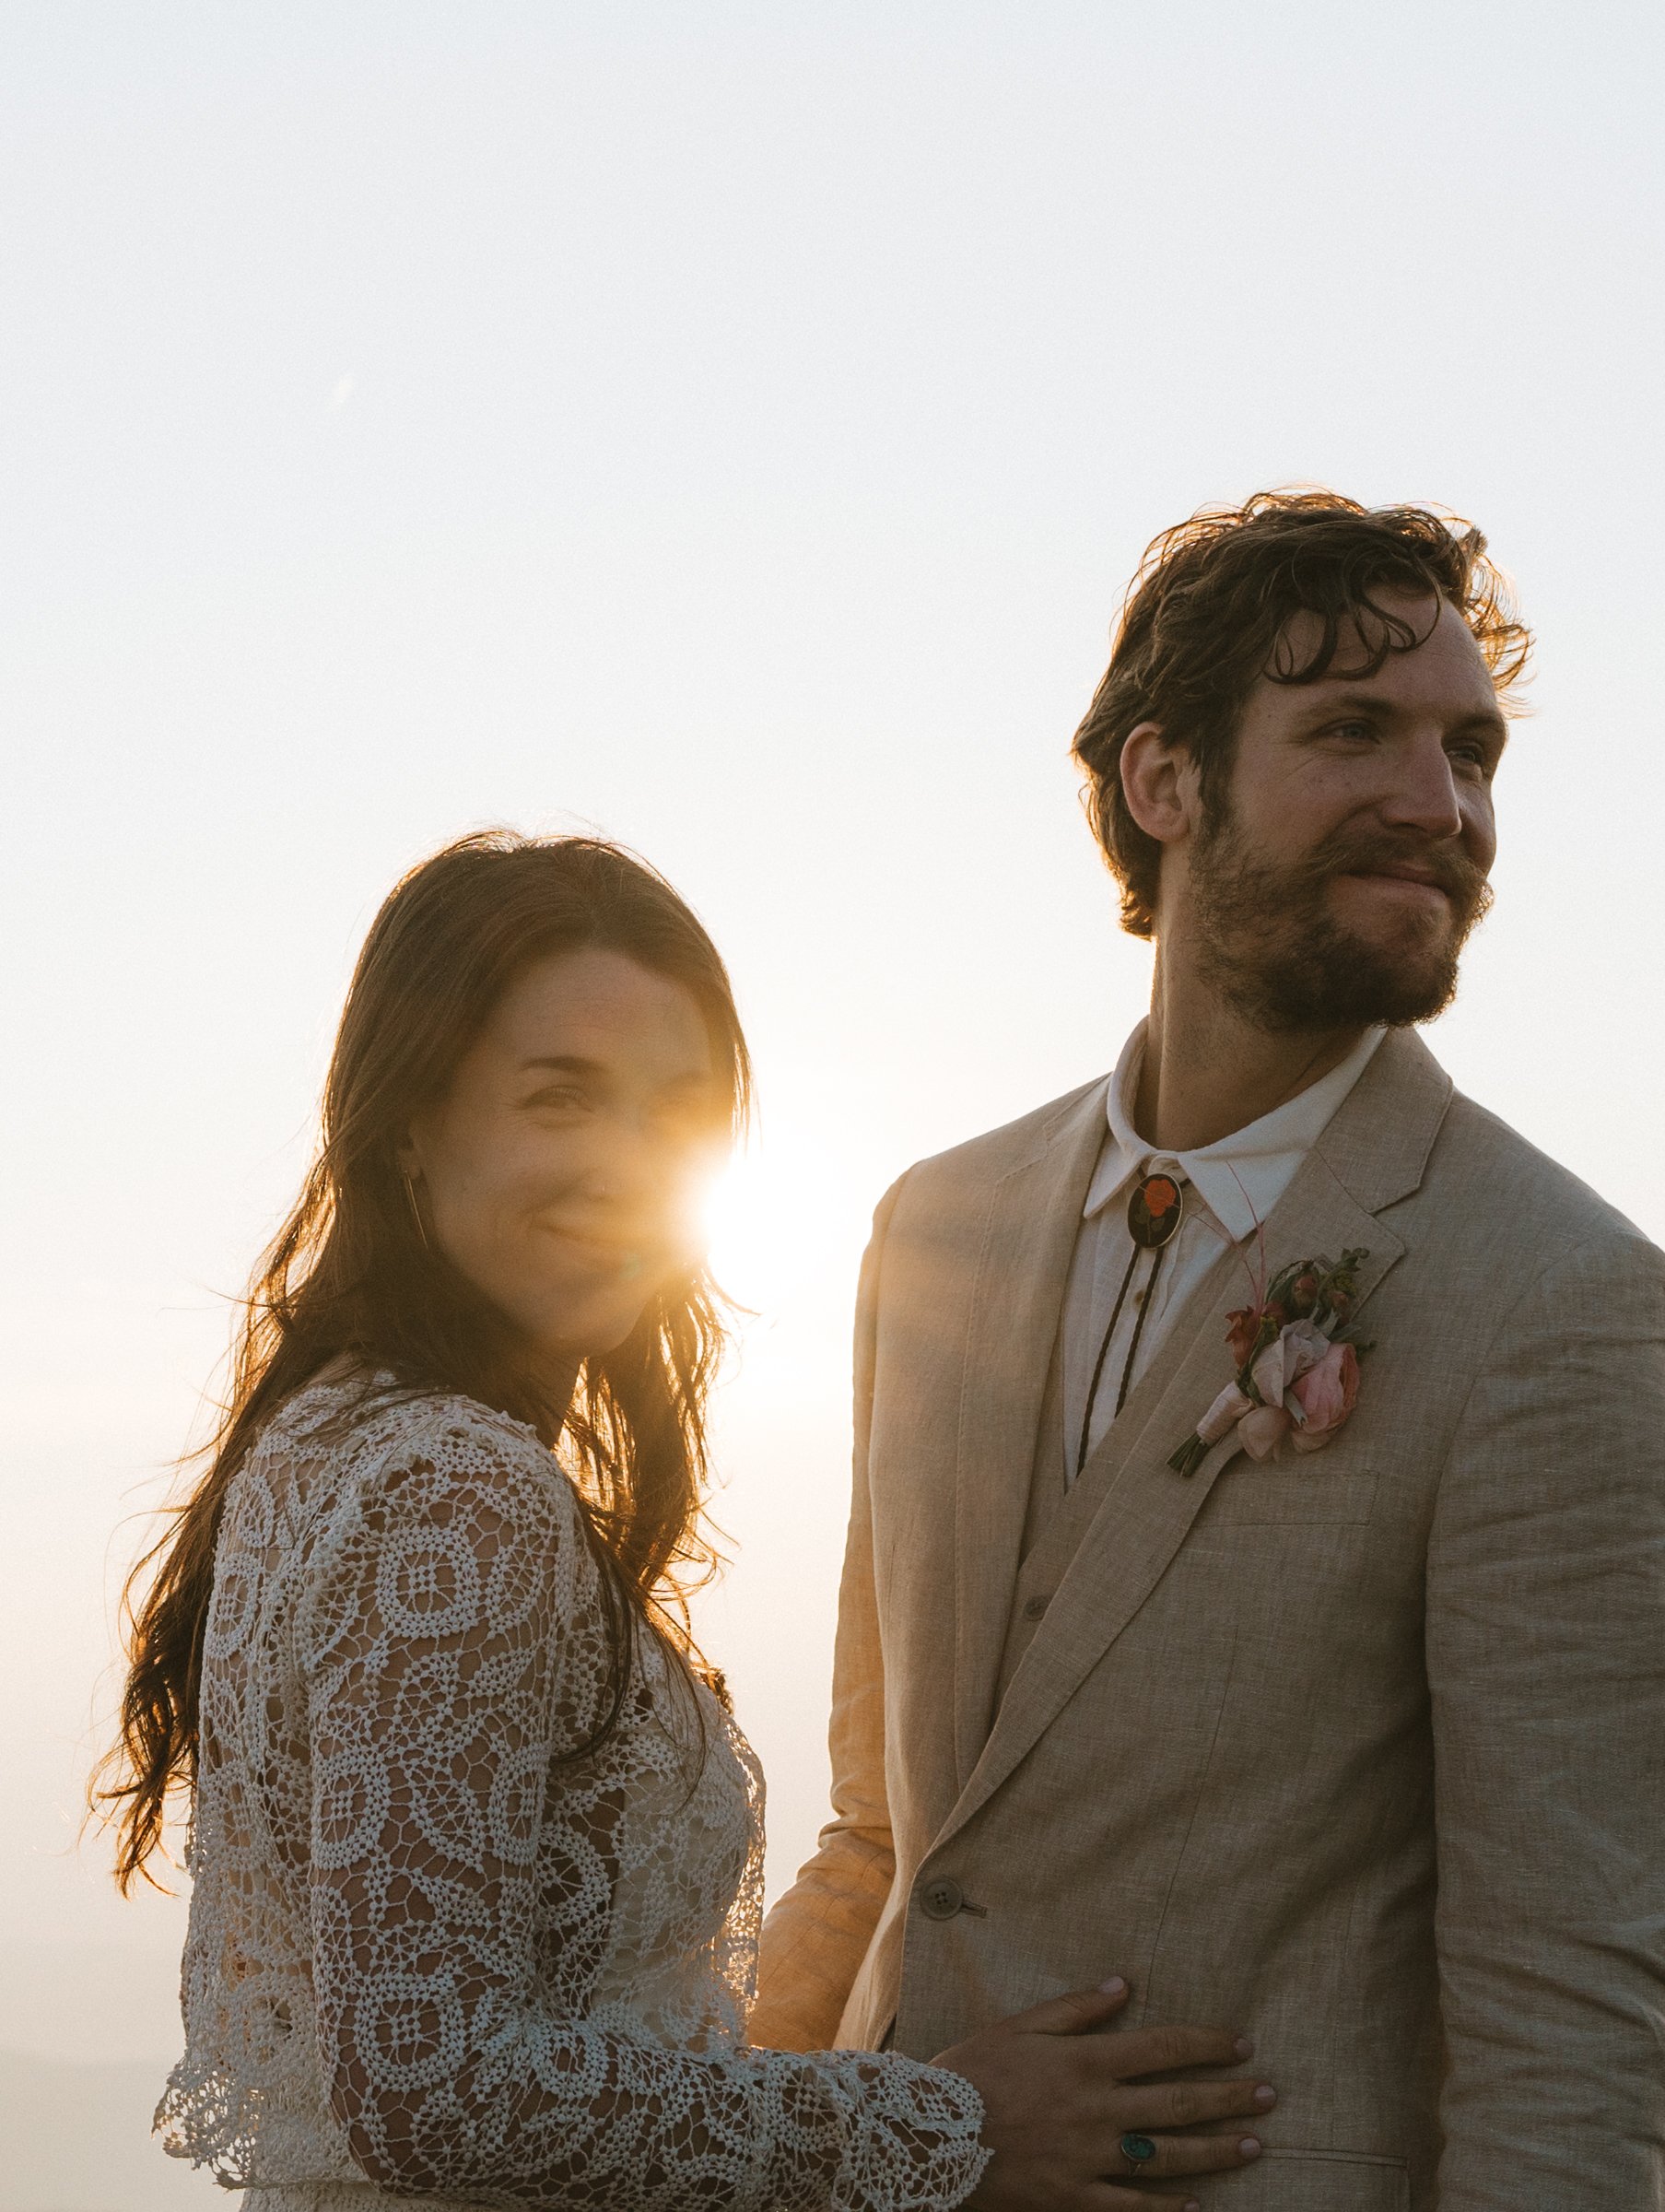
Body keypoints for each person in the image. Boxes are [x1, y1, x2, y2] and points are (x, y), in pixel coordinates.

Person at [98, 832, 1275, 2212]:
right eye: (560, 1098)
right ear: (409, 1120)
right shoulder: (452, 1490)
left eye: (678, 1115)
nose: (626, 1168)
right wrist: (942, 2129)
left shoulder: (324, 1438)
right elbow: (432, 2085)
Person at [750, 492, 1665, 2207]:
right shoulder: (926, 1231)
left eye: (1471, 752)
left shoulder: (1562, 1297)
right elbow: (887, 1838)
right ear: (1165, 785)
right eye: (1355, 734)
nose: (1440, 804)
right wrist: (758, 2143)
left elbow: (1572, 2009)